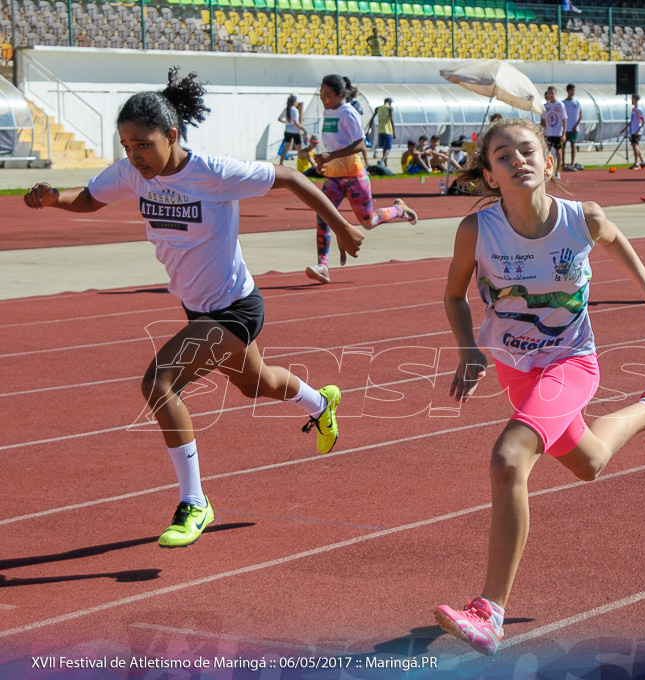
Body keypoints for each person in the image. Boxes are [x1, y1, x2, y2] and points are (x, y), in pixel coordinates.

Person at [22, 68, 365, 548]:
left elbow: (289, 177)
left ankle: (194, 502)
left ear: (172, 135)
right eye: (126, 146)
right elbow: (91, 199)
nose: (134, 155)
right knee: (257, 385)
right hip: (198, 309)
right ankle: (321, 402)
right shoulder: (130, 174)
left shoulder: (215, 173)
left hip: (236, 308)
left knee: (159, 383)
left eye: (143, 144)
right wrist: (56, 199)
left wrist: (343, 226)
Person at [433, 117, 645, 656]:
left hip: (571, 363)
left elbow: (614, 238)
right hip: (516, 367)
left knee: (509, 458)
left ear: (549, 162)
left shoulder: (581, 219)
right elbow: (454, 296)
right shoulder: (476, 232)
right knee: (590, 463)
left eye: (527, 151)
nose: (518, 161)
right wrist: (467, 349)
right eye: (503, 156)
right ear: (489, 176)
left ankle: (490, 613)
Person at [305, 74, 418, 285]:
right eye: (321, 94)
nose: (323, 99)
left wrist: (331, 157)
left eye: (327, 95)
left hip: (355, 177)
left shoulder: (348, 113)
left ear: (340, 95)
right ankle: (323, 265)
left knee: (368, 222)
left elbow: (359, 144)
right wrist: (324, 162)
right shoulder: (328, 112)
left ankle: (399, 209)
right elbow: (334, 145)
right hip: (334, 177)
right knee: (323, 215)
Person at [542, 86, 567, 180]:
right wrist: (542, 132)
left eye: (552, 93)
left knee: (558, 151)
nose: (551, 95)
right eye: (549, 93)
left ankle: (558, 171)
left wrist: (564, 133)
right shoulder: (546, 106)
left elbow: (564, 119)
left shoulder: (560, 105)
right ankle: (548, 170)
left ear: (555, 93)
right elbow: (543, 120)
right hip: (548, 133)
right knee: (547, 152)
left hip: (557, 133)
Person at [621, 93, 645, 170]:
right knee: (635, 145)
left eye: (632, 99)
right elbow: (632, 121)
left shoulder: (639, 109)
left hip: (636, 131)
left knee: (635, 145)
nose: (631, 101)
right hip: (632, 130)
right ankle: (643, 162)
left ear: (636, 100)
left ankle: (636, 163)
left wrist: (639, 129)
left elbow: (643, 120)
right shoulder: (633, 109)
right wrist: (625, 129)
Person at [277, 94, 305, 165]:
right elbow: (296, 122)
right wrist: (302, 128)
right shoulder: (295, 110)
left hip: (287, 131)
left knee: (286, 148)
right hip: (295, 131)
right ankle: (301, 163)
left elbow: (279, 119)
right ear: (294, 102)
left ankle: (281, 163)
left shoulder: (286, 109)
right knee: (299, 149)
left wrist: (287, 122)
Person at [367, 97, 394, 167]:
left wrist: (368, 129)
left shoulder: (378, 108)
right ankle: (382, 160)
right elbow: (391, 120)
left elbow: (372, 119)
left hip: (380, 130)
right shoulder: (389, 108)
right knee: (388, 148)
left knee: (384, 148)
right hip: (388, 130)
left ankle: (386, 165)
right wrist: (394, 132)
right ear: (390, 102)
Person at [562, 83, 583, 171]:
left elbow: (581, 115)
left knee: (573, 145)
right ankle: (563, 163)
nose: (573, 92)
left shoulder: (577, 102)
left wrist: (576, 125)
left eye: (574, 91)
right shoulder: (563, 103)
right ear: (567, 91)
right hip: (565, 128)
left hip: (574, 128)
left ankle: (572, 163)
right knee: (563, 146)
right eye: (571, 90)